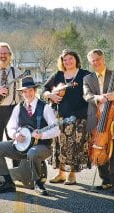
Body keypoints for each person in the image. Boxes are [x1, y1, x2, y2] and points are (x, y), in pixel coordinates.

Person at [0, 76, 60, 196]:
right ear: (21, 93)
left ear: (35, 91)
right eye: (25, 92)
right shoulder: (18, 107)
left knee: (32, 152)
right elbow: (10, 127)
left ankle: (38, 183)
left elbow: (56, 130)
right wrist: (15, 135)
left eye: (30, 91)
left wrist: (42, 134)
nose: (28, 94)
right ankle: (8, 183)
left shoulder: (45, 107)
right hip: (21, 146)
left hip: (42, 146)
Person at [83, 48, 114, 195]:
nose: (95, 63)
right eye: (93, 61)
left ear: (103, 59)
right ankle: (106, 181)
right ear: (90, 63)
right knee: (98, 149)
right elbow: (87, 95)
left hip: (112, 121)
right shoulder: (87, 79)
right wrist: (97, 98)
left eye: (98, 59)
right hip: (96, 120)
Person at [42, 49, 91, 185]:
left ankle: (72, 174)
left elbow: (93, 90)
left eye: (70, 58)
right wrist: (50, 95)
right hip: (61, 116)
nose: (68, 61)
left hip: (79, 116)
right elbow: (44, 90)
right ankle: (61, 174)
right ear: (61, 62)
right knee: (60, 145)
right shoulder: (58, 75)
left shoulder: (84, 75)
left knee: (75, 145)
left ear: (76, 60)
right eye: (65, 59)